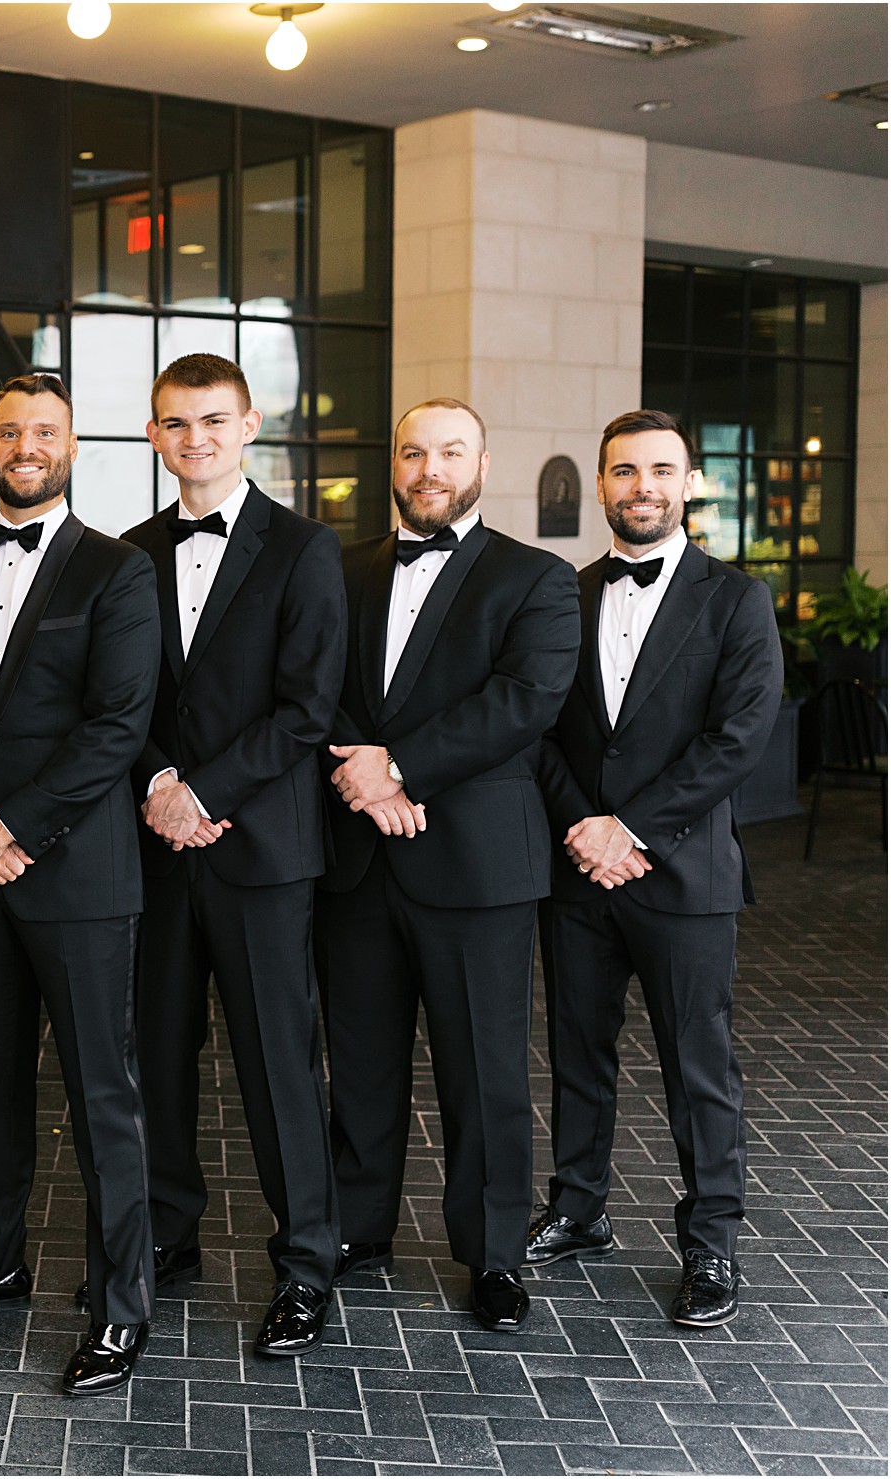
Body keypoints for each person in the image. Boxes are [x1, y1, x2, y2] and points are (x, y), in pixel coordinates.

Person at [0, 373, 162, 1395]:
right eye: (9, 431)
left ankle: (119, 1308)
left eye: (42, 431)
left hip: (79, 872)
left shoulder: (117, 571)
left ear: (69, 446)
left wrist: (9, 824)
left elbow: (117, 725)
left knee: (103, 1096)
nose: (25, 445)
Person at [314, 398, 580, 1332]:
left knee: (485, 1070)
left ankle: (494, 1252)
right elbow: (312, 688)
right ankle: (357, 1225)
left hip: (477, 867)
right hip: (357, 858)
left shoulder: (537, 578)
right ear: (393, 461)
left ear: (482, 461)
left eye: (450, 451)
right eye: (414, 451)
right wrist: (364, 775)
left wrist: (401, 765)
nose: (430, 467)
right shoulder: (340, 571)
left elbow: (524, 702)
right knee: (361, 1062)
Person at [529, 409, 781, 1328]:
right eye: (625, 471)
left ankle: (712, 1241)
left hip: (682, 874)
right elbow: (543, 728)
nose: (643, 486)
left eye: (662, 471)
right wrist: (583, 828)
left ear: (689, 484)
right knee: (576, 1049)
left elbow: (739, 737)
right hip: (578, 870)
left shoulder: (735, 597)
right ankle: (576, 1206)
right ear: (600, 485)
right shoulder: (565, 592)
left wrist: (629, 828)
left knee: (698, 1064)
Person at [120, 353, 348, 1356]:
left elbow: (305, 707)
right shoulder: (125, 553)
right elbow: (119, 703)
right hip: (157, 853)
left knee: (276, 1068)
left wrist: (203, 793)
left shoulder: (303, 549)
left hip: (260, 852)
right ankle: (168, 1236)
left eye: (213, 420)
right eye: (175, 423)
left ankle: (305, 1263)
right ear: (153, 436)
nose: (195, 438)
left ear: (250, 426)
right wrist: (160, 786)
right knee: (158, 1059)